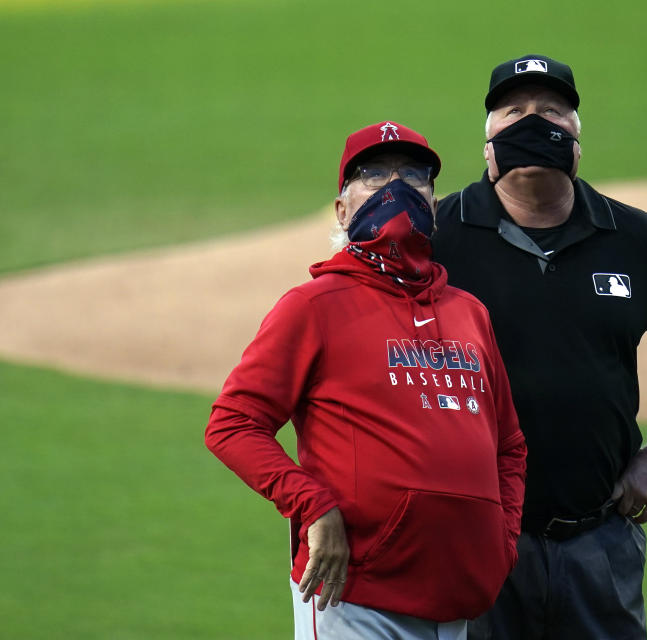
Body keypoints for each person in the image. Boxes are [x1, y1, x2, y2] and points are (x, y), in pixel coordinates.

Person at [431, 55, 647, 639]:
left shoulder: (635, 237)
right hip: (475, 537)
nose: (534, 123)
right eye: (514, 112)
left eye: (552, 112)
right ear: (487, 145)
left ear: (578, 141)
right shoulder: (440, 236)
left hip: (598, 541)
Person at [205, 121, 527, 640]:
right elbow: (232, 423)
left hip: (461, 599)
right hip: (357, 598)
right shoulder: (313, 307)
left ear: (434, 204)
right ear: (341, 209)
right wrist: (313, 504)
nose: (395, 187)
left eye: (414, 176)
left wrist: (501, 540)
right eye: (373, 175)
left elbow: (509, 445)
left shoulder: (470, 314)